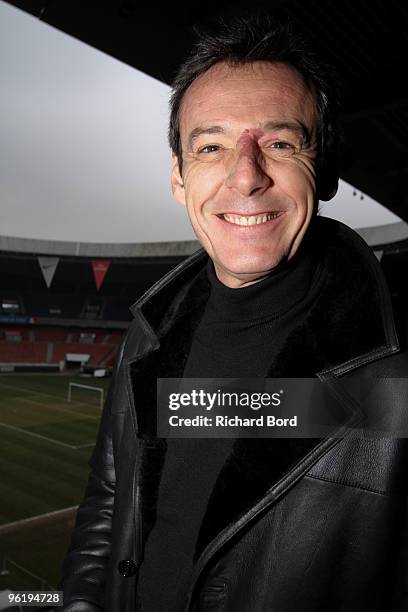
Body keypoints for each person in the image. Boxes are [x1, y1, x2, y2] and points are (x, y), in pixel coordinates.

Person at [57, 13, 408, 612]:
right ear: (179, 175)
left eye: (279, 143)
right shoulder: (149, 336)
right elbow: (109, 505)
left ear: (323, 170)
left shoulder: (392, 368)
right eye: (212, 146)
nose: (245, 177)